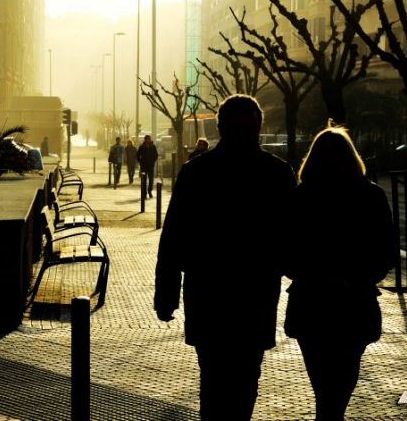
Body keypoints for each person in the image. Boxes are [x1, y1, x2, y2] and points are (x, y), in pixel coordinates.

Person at [154, 94, 296, 421]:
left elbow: (173, 239)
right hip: (255, 296)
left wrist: (166, 296)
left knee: (214, 382)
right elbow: (293, 239)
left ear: (218, 127)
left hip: (209, 296)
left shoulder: (197, 173)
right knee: (245, 381)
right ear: (258, 128)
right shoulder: (276, 174)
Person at [283, 124, 394, 421]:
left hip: (311, 303)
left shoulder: (301, 197)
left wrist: (315, 276)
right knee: (343, 380)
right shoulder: (371, 196)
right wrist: (354, 279)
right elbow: (385, 252)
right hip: (354, 303)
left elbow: (287, 253)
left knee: (322, 383)